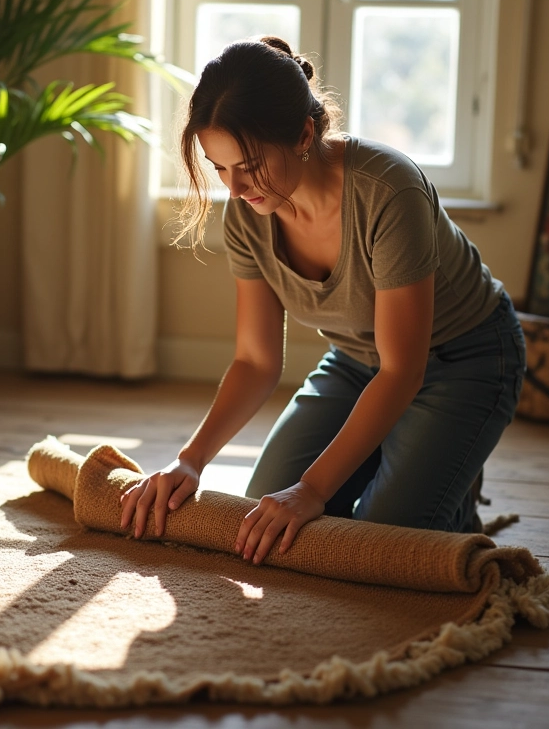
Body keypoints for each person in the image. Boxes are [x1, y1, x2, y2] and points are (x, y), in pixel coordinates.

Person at [120, 35, 526, 566]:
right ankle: (414, 457)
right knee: (258, 514)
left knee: (378, 542)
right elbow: (256, 361)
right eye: (219, 168)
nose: (236, 188)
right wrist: (189, 462)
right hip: (359, 362)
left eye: (249, 164)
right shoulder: (247, 213)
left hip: (465, 360)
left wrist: (311, 490)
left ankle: (449, 485)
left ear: (304, 134)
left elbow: (403, 371)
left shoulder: (388, 190)